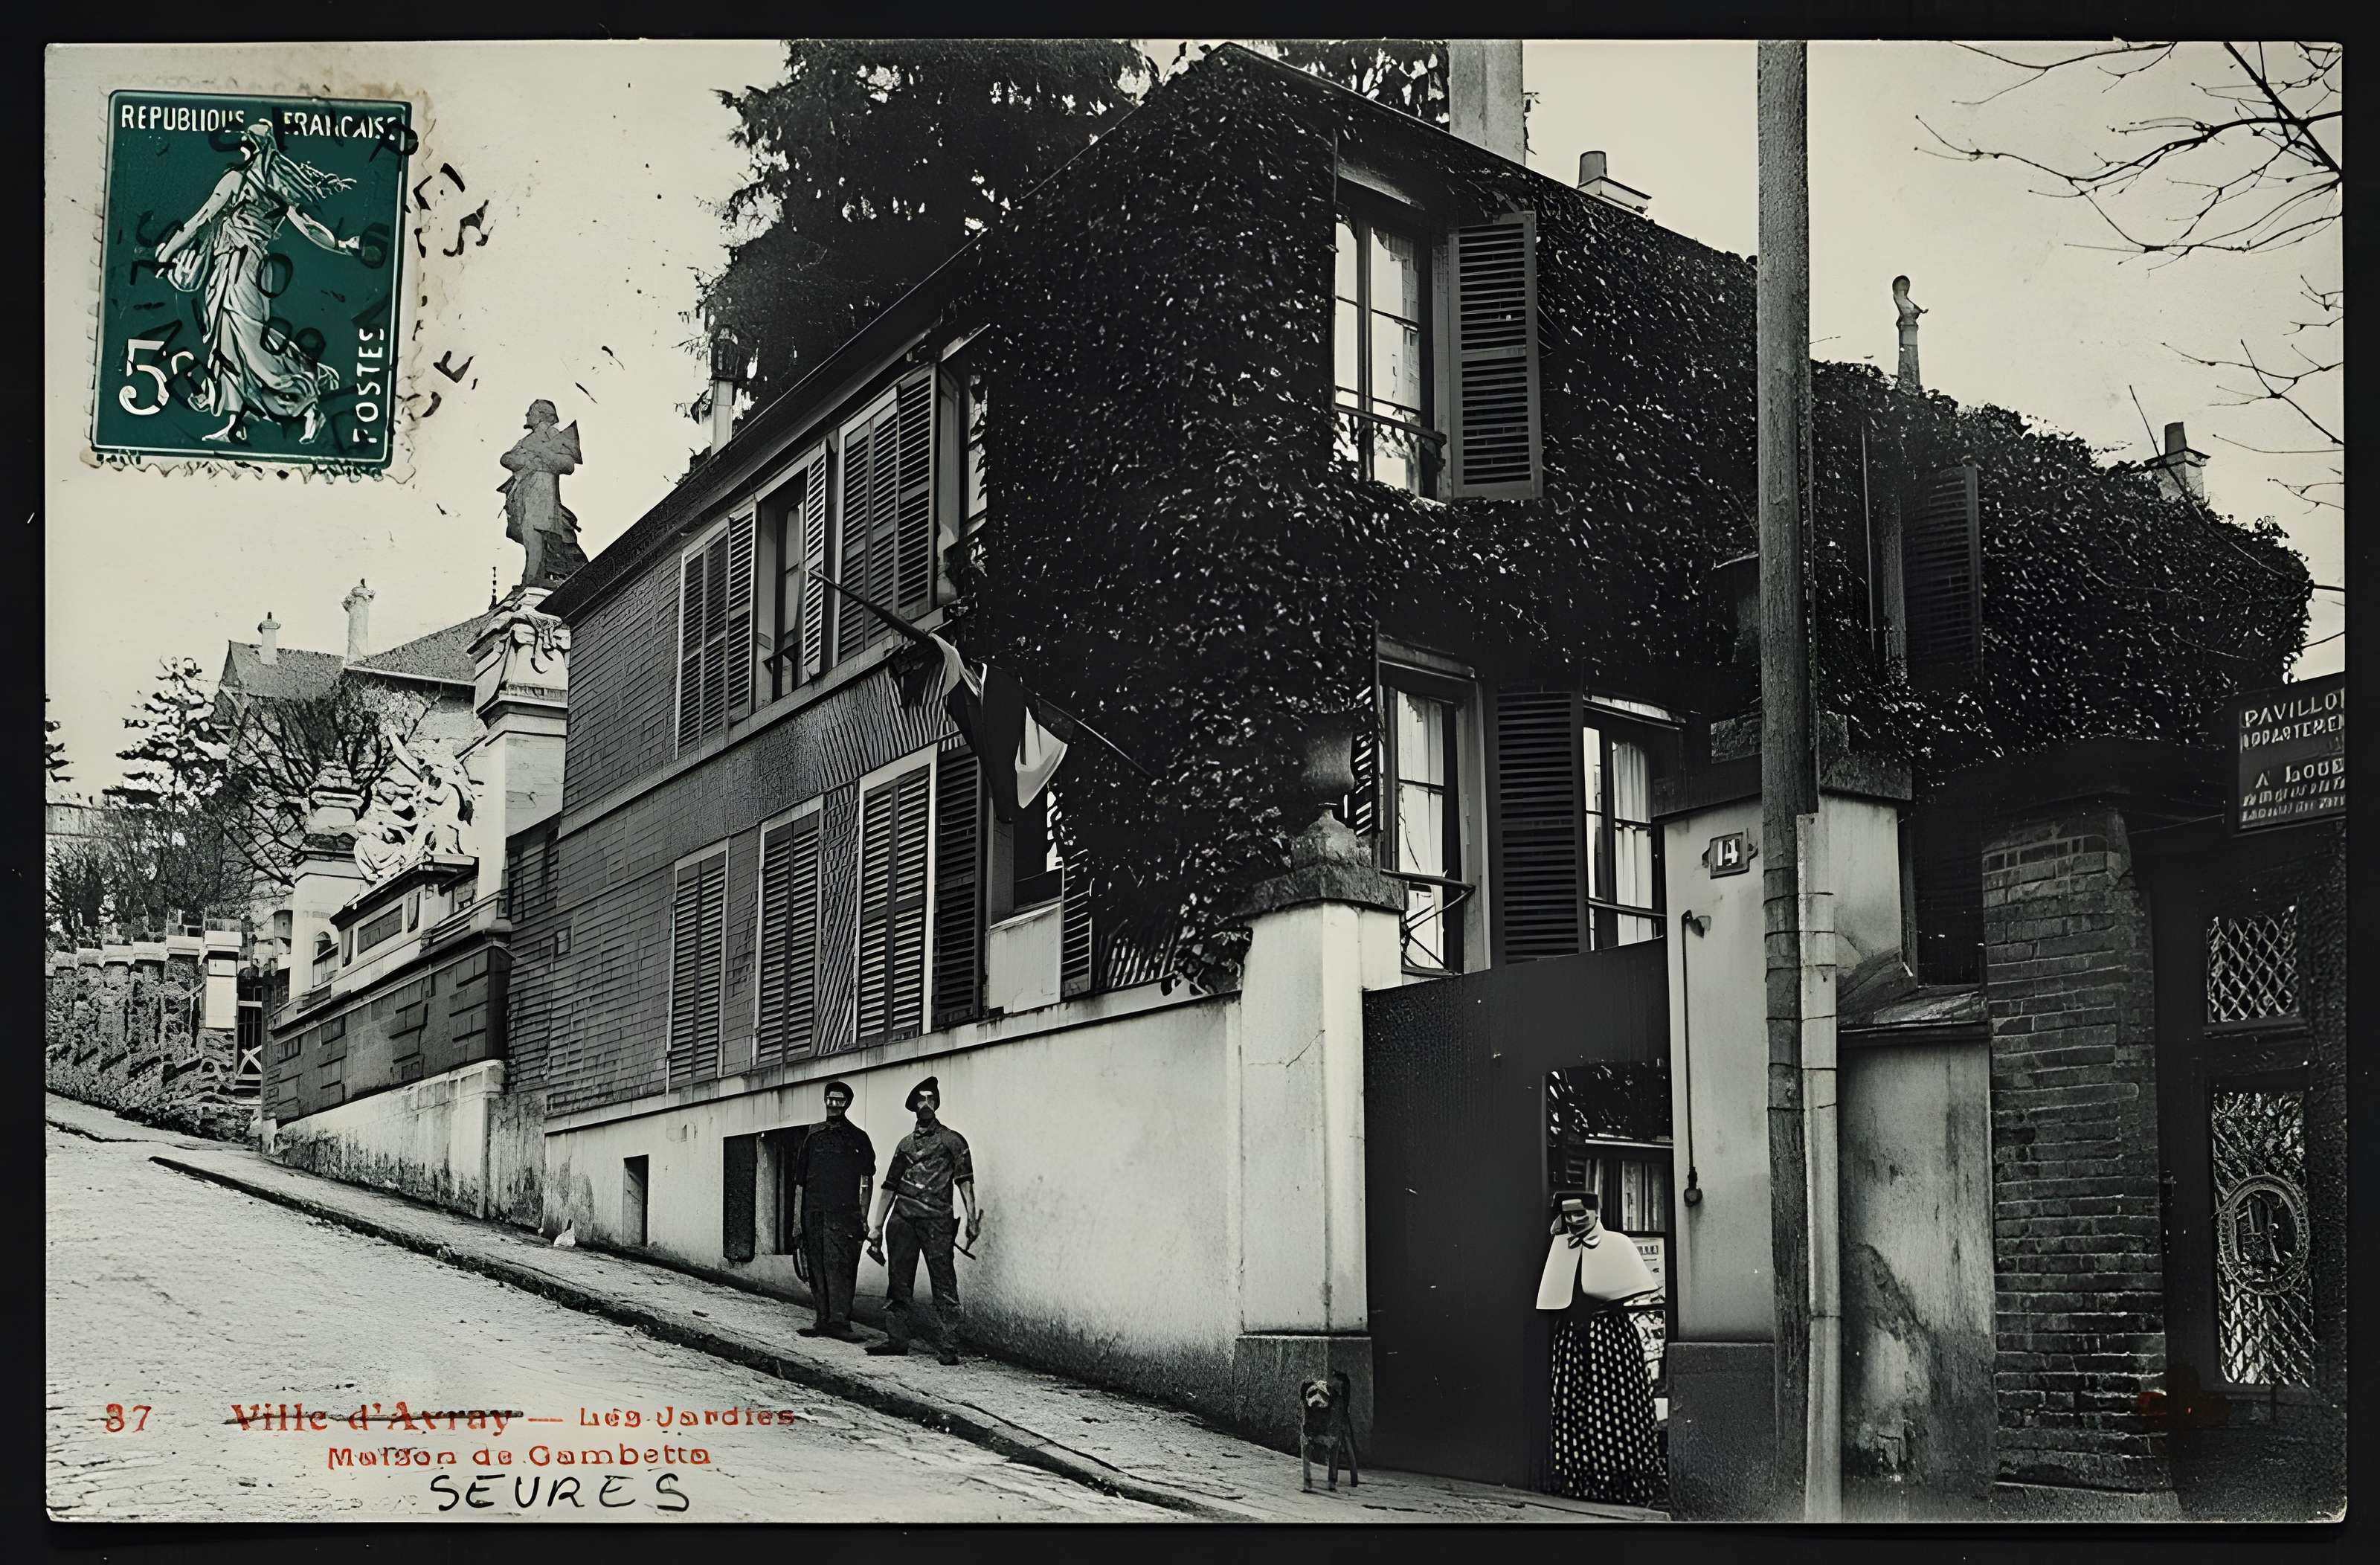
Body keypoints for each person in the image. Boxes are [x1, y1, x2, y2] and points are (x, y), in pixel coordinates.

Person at [152, 117, 364, 445]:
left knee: (250, 339)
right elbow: (310, 228)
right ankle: (236, 423)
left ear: (255, 147)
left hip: (240, 266)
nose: (242, 147)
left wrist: (168, 252)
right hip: (236, 267)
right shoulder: (276, 189)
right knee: (227, 342)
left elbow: (202, 217)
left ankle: (306, 395)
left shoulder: (237, 180)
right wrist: (341, 246)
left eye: (247, 143)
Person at [1537, 1189, 1666, 1508]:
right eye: (1570, 1215)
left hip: (1610, 1335)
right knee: (1570, 1402)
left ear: (1596, 1212)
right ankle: (1578, 1477)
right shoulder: (1560, 1247)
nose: (1576, 1220)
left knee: (1614, 1402)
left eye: (1582, 1213)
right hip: (1571, 1336)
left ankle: (1622, 1479)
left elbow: (1633, 1289)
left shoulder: (1618, 1243)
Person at [865, 1076, 979, 1365]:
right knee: (899, 1283)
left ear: (937, 1103)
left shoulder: (953, 1141)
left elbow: (964, 1181)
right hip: (902, 1222)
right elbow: (889, 1186)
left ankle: (948, 1346)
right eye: (921, 1099)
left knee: (944, 1283)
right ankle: (897, 1339)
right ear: (914, 1106)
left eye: (931, 1099)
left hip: (937, 1223)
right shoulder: (905, 1145)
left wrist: (972, 1218)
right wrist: (876, 1226)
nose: (926, 1104)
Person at [791, 1080, 874, 1343]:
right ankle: (822, 1320)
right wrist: (796, 1220)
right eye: (831, 1099)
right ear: (825, 1101)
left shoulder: (858, 1137)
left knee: (842, 1267)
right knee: (816, 1267)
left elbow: (866, 1179)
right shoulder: (813, 1135)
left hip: (844, 1215)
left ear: (847, 1104)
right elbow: (800, 1182)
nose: (834, 1105)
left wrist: (864, 1215)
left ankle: (840, 1322)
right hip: (814, 1213)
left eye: (840, 1100)